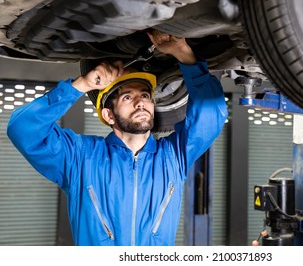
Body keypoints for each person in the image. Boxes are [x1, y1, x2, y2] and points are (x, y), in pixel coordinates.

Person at [6, 31, 228, 246]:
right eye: (128, 97)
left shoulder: (173, 157)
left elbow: (212, 115)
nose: (140, 102)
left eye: (144, 95)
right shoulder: (80, 158)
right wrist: (82, 85)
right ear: (108, 115)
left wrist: (183, 54)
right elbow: (22, 128)